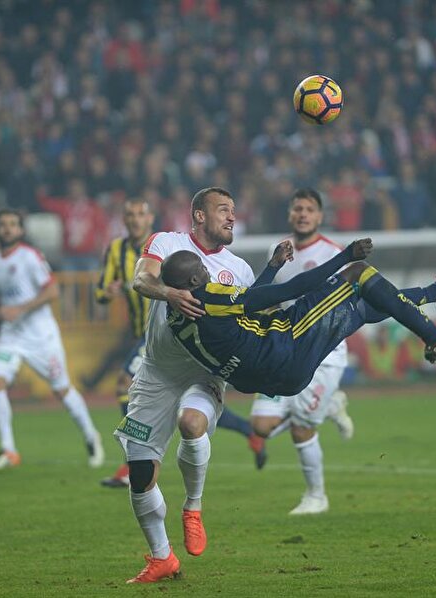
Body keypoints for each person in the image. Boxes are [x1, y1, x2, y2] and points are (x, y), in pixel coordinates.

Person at [250, 188, 436, 515]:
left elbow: (358, 304)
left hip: (324, 351)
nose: (303, 214)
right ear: (290, 214)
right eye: (297, 208)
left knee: (301, 427)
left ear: (320, 216)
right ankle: (330, 405)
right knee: (261, 426)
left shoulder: (334, 252)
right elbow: (270, 298)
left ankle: (316, 496)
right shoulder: (277, 250)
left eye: (309, 209)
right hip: (285, 346)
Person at [115, 187, 291, 584]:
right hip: (155, 373)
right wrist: (170, 293)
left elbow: (253, 305)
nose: (231, 217)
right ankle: (162, 558)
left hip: (205, 371)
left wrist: (273, 268)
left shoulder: (238, 268)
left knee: (192, 424)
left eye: (234, 210)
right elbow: (141, 280)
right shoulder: (167, 242)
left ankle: (192, 508)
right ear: (198, 215)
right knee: (140, 472)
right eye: (223, 210)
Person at [160, 241, 436, 400]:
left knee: (358, 307)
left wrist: (272, 266)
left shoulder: (176, 315)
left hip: (277, 381)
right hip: (284, 345)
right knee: (358, 276)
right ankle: (435, 338)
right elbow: (290, 289)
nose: (207, 272)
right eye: (201, 271)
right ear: (190, 283)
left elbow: (248, 306)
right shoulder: (208, 298)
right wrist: (345, 256)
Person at [95, 198, 266, 489]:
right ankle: (137, 456)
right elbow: (117, 287)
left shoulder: (238, 268)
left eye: (140, 213)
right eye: (130, 214)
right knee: (166, 408)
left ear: (149, 218)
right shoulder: (135, 247)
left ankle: (139, 469)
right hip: (149, 339)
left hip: (192, 354)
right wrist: (111, 292)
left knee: (172, 408)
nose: (135, 220)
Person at [0, 208, 104, 470]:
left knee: (61, 390)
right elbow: (4, 297)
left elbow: (52, 291)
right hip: (11, 335)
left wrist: (19, 310)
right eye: (2, 224)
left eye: (13, 224)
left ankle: (90, 435)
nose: (7, 229)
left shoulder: (30, 257)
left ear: (21, 231)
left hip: (41, 336)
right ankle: (8, 449)